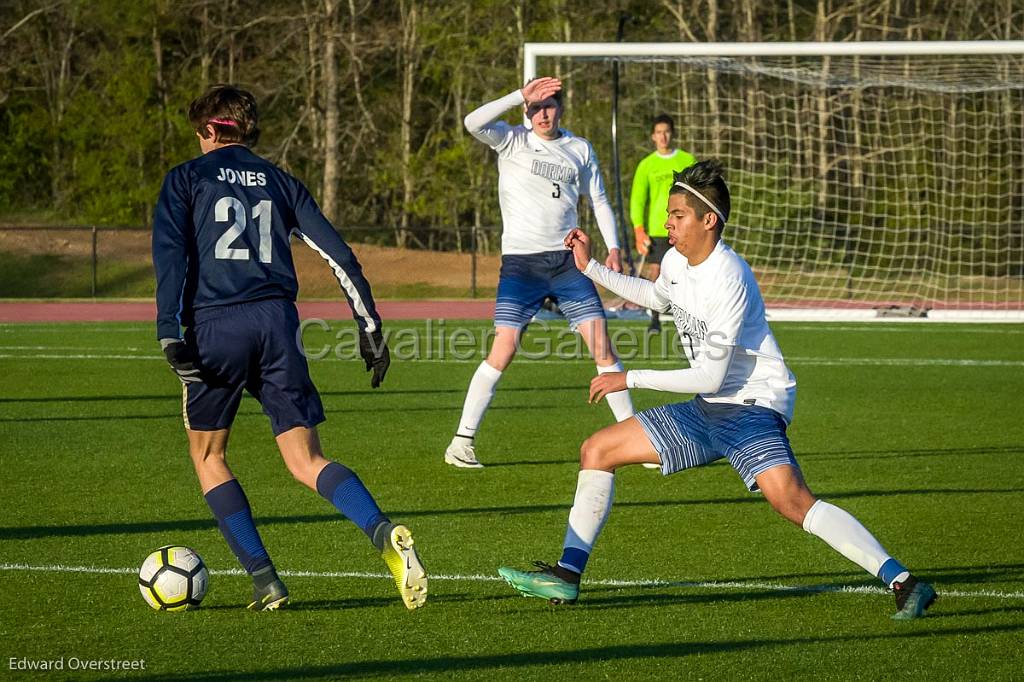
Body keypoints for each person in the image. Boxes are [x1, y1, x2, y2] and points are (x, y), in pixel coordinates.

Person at [498, 160, 937, 620]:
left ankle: (905, 583)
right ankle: (567, 577)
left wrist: (629, 377)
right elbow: (655, 297)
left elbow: (709, 376)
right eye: (668, 214)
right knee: (597, 449)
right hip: (710, 408)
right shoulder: (674, 260)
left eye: (677, 215)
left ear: (709, 220)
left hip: (751, 405)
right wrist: (589, 268)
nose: (667, 222)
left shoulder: (730, 277)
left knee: (791, 501)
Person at [152, 85, 427, 611]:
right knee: (306, 459)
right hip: (278, 325)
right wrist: (369, 326)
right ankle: (381, 530)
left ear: (210, 129)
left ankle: (264, 579)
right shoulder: (280, 182)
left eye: (198, 132)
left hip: (216, 329)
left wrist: (170, 332)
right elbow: (340, 255)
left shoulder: (186, 178)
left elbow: (172, 257)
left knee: (209, 455)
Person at [443, 76, 635, 469]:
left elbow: (598, 200)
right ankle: (461, 443)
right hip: (521, 264)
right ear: (525, 111)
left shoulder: (579, 148)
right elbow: (471, 122)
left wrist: (613, 246)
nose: (542, 113)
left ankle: (633, 440)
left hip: (567, 263)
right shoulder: (511, 140)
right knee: (505, 348)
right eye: (535, 107)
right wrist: (518, 94)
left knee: (602, 346)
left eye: (549, 105)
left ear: (560, 107)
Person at [629, 114, 696, 333]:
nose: (663, 136)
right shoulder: (647, 165)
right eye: (658, 132)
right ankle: (654, 319)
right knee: (656, 272)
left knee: (688, 272)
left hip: (685, 228)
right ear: (653, 136)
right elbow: (637, 200)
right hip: (659, 229)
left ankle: (688, 319)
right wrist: (639, 230)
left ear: (672, 133)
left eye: (666, 131)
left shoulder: (687, 160)